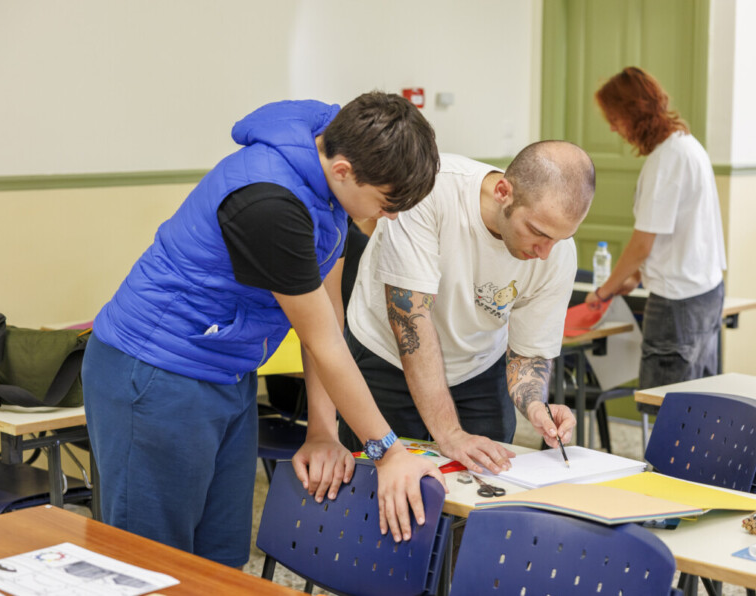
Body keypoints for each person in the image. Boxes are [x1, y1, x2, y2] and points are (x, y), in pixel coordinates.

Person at [81, 91, 445, 568]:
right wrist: (387, 453)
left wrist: (323, 430)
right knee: (153, 563)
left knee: (221, 559)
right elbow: (321, 341)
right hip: (156, 372)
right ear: (343, 171)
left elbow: (328, 313)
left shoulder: (334, 148)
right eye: (386, 202)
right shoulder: (270, 204)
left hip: (228, 370)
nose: (390, 216)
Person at [338, 143, 596, 474]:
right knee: (386, 482)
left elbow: (528, 354)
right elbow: (412, 324)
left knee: (489, 483)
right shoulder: (429, 190)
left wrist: (535, 405)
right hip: (386, 355)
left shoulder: (557, 254)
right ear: (503, 192)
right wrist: (449, 433)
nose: (544, 252)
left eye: (558, 239)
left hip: (477, 365)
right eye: (537, 232)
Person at [587, 66, 726, 389]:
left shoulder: (665, 160)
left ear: (634, 113)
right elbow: (677, 232)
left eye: (615, 118)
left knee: (665, 404)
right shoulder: (687, 145)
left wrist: (604, 290)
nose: (613, 128)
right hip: (706, 292)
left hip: (677, 303)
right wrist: (635, 276)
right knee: (700, 403)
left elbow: (642, 244)